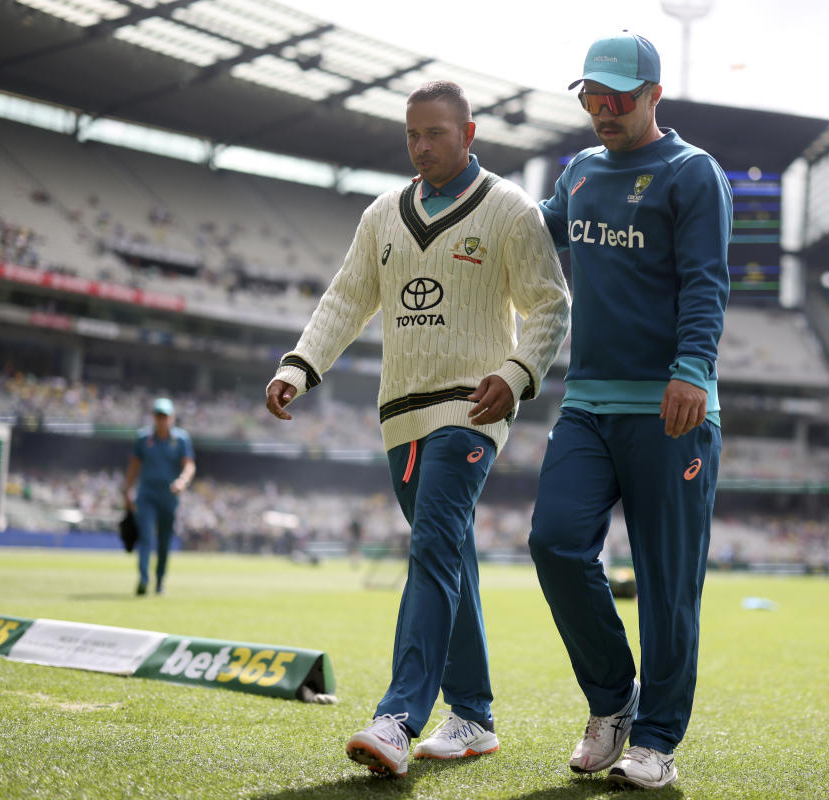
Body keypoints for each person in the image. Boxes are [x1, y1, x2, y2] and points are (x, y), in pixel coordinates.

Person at [264, 80, 569, 778]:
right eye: (412, 135)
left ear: (469, 135)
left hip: (472, 409)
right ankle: (474, 716)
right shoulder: (381, 215)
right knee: (449, 554)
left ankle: (400, 716)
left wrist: (518, 372)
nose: (422, 145)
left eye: (436, 133)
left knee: (432, 545)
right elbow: (346, 298)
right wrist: (300, 365)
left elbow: (551, 307)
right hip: (399, 415)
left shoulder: (511, 211)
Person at [526, 32, 731, 791]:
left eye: (618, 97)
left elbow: (707, 282)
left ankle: (657, 740)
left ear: (653, 96)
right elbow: (530, 231)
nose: (603, 110)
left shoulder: (692, 173)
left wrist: (692, 370)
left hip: (672, 407)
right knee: (553, 542)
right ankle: (613, 701)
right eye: (592, 97)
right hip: (587, 404)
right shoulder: (578, 171)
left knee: (667, 583)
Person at [123, 397, 195, 596]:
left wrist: (182, 481)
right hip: (146, 495)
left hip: (169, 497)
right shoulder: (143, 438)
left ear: (172, 417)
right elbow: (133, 467)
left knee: (164, 541)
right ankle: (144, 579)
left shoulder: (181, 439)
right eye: (158, 416)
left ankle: (160, 580)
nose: (162, 420)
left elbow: (189, 464)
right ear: (153, 417)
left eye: (165, 416)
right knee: (146, 537)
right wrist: (127, 491)